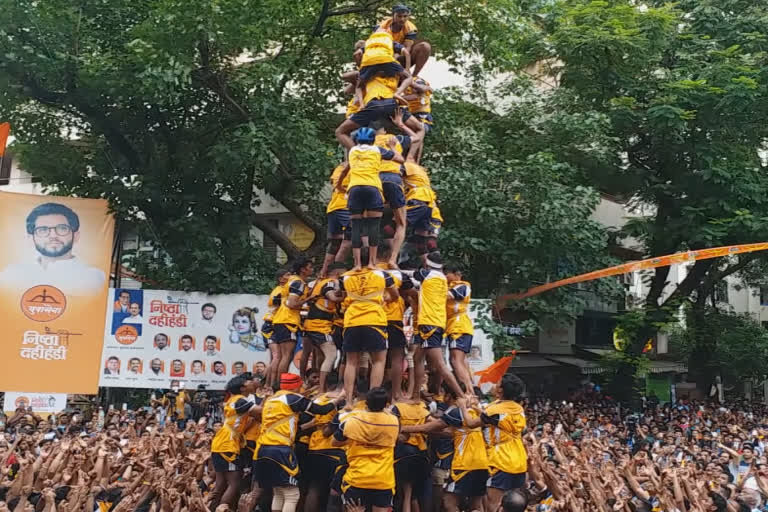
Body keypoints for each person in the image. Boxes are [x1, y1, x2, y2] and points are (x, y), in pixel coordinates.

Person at [253, 373, 343, 512]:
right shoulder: (293, 398)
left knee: (279, 491)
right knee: (291, 494)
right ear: (295, 386)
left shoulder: (272, 399)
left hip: (263, 448)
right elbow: (321, 410)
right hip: (280, 449)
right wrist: (340, 398)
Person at [334, 33, 423, 150]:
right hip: (391, 105)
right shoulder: (394, 70)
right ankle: (410, 158)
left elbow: (348, 87)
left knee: (341, 132)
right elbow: (409, 76)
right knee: (420, 128)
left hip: (372, 107)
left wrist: (361, 103)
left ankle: (355, 158)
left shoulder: (365, 74)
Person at [335, 127, 404, 270]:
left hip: (354, 189)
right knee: (373, 226)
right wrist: (392, 148)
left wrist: (340, 185)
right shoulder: (377, 150)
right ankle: (372, 263)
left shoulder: (353, 151)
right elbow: (400, 159)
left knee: (356, 227)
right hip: (372, 188)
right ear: (373, 140)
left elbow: (346, 168)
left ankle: (357, 264)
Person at [0, 202, 107, 295]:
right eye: (43, 230)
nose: (53, 235)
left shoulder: (94, 278)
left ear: (76, 236)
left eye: (62, 228)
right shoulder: (11, 275)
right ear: (31, 238)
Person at [335, 265, 398, 403]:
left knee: (351, 362)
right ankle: (373, 402)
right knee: (378, 361)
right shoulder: (382, 274)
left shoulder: (345, 276)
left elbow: (341, 295)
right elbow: (395, 295)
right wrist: (384, 297)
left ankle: (348, 402)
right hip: (374, 320)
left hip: (352, 320)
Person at [332, 387, 400, 512]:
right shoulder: (394, 421)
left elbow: (335, 442)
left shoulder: (352, 421)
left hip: (357, 479)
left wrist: (356, 440)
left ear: (366, 403)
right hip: (383, 480)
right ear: (385, 404)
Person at [411, 252, 465, 398]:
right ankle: (415, 395)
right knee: (417, 358)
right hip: (434, 322)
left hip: (429, 323)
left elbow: (410, 274)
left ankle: (461, 395)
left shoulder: (429, 275)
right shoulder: (439, 278)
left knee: (440, 364)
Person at [372, 111, 421, 267]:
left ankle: (372, 261)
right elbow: (417, 137)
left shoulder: (366, 145)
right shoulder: (394, 139)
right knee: (401, 223)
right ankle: (393, 259)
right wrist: (400, 124)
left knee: (370, 222)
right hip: (393, 178)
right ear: (384, 130)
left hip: (374, 181)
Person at [209, 375, 261, 510]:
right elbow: (261, 412)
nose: (252, 382)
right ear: (243, 388)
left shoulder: (235, 400)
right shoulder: (240, 401)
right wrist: (270, 400)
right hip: (227, 445)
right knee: (234, 482)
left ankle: (208, 508)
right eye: (249, 381)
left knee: (220, 484)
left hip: (221, 443)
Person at [376, 247, 417, 400]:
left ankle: (372, 393)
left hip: (374, 320)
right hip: (393, 319)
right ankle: (396, 394)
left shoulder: (369, 273)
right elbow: (414, 293)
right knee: (397, 357)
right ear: (389, 256)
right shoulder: (397, 274)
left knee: (374, 359)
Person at [483, 374, 528, 511]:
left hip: (501, 460)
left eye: (497, 383)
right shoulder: (518, 409)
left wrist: (463, 405)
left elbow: (472, 422)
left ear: (500, 390)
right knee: (513, 504)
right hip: (519, 461)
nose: (494, 383)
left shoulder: (492, 410)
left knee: (494, 504)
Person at [302, 263, 345, 392]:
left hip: (313, 324)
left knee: (319, 355)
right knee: (331, 355)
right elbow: (333, 297)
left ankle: (316, 384)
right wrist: (348, 293)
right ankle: (322, 389)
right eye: (342, 275)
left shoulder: (320, 282)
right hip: (319, 325)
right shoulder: (330, 283)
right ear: (337, 274)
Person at [272, 258, 313, 380]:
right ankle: (281, 384)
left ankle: (278, 384)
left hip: (281, 319)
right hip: (288, 320)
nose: (312, 269)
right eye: (310, 267)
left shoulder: (291, 280)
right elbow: (291, 303)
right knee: (287, 356)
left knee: (283, 356)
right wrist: (309, 299)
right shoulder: (298, 282)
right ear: (303, 269)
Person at [444, 263, 476, 396]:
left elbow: (448, 296)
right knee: (461, 361)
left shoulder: (462, 286)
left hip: (458, 325)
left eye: (447, 273)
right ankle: (470, 391)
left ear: (457, 274)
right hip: (455, 325)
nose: (445, 276)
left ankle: (468, 392)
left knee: (455, 360)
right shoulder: (450, 286)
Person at [376, 4, 432, 77]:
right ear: (393, 15)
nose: (402, 19)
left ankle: (414, 76)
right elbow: (375, 41)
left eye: (405, 16)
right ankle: (364, 71)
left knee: (425, 46)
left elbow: (407, 48)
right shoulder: (383, 24)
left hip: (401, 56)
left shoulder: (411, 29)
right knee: (360, 44)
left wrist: (396, 56)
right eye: (399, 16)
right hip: (383, 54)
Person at [321, 163, 352, 278]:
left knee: (335, 242)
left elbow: (335, 183)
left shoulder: (340, 167)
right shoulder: (351, 167)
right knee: (351, 238)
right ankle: (336, 273)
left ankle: (323, 273)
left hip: (333, 208)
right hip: (344, 207)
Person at [264, 268, 290, 389]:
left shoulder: (282, 290)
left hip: (273, 324)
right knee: (277, 357)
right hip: (271, 325)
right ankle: (270, 385)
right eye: (287, 274)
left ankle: (269, 384)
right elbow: (275, 303)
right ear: (281, 279)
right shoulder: (279, 291)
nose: (290, 277)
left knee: (276, 357)